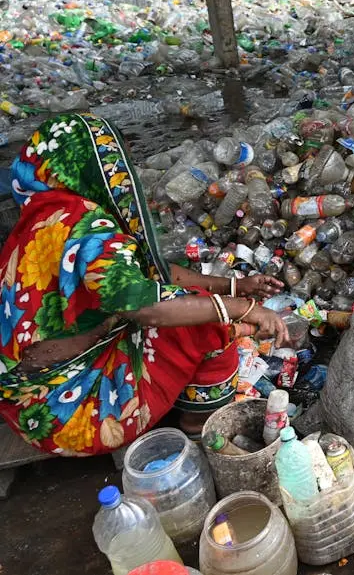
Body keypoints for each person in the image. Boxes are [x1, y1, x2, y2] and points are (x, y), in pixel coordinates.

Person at [0, 113, 289, 456]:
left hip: (26, 401)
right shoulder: (88, 226)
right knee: (210, 321)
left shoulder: (44, 215)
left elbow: (150, 272)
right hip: (72, 417)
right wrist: (242, 309)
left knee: (192, 302)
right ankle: (199, 427)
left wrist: (234, 287)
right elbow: (147, 307)